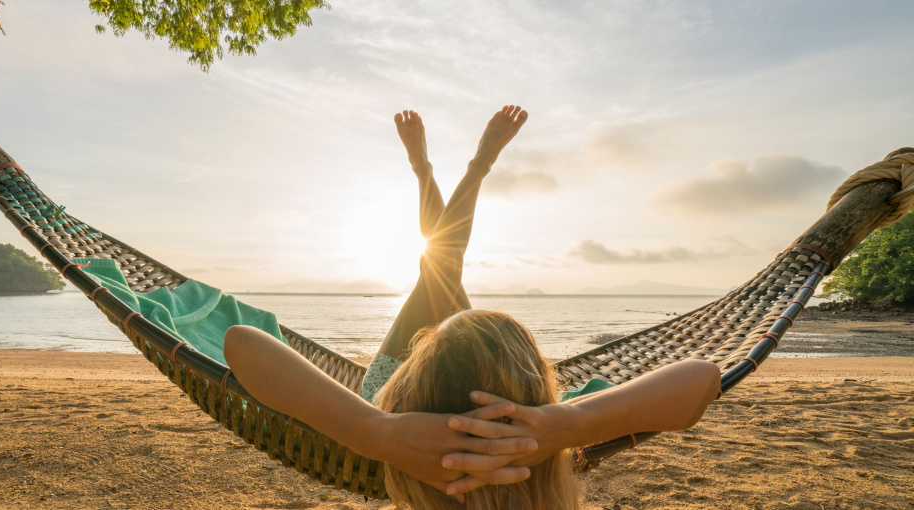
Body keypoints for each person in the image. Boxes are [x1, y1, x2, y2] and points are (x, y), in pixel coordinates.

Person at [223, 106, 722, 508]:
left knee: (441, 266)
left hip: (403, 395)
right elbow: (702, 376)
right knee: (442, 267)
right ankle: (459, 169)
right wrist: (569, 424)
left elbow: (241, 345)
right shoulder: (539, 434)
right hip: (473, 388)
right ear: (539, 384)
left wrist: (377, 432)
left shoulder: (397, 430)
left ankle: (447, 169)